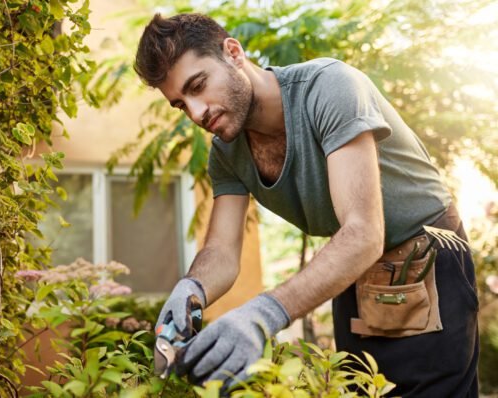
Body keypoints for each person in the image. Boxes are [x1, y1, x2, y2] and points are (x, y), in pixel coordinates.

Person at [134, 13, 479, 397]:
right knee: (359, 391)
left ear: (233, 52)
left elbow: (365, 233)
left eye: (198, 86)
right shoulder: (226, 153)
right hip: (351, 269)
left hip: (426, 258)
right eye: (181, 105)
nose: (197, 113)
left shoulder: (328, 87)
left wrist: (261, 314)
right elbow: (222, 251)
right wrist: (191, 289)